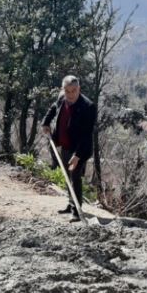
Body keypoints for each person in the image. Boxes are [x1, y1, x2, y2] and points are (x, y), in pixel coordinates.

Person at [42, 75, 95, 222]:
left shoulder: (88, 107)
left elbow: (86, 135)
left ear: (79, 89)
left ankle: (77, 211)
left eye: (74, 90)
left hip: (80, 148)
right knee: (67, 175)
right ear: (63, 90)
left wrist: (77, 155)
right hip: (65, 144)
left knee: (75, 176)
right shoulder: (61, 98)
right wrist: (46, 122)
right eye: (67, 91)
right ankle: (71, 203)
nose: (70, 94)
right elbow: (53, 108)